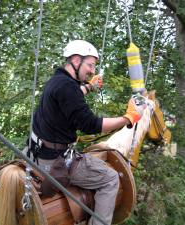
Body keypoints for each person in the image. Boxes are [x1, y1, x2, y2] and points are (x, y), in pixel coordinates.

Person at [25, 40, 146, 225]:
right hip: (55, 158)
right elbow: (90, 124)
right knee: (111, 179)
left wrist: (89, 86)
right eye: (90, 65)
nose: (91, 70)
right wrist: (128, 118)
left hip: (36, 151)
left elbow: (70, 97)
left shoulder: (58, 80)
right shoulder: (67, 87)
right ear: (75, 60)